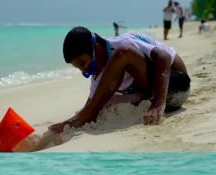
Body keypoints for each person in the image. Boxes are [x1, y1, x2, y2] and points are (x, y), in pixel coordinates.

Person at [49, 27, 191, 133]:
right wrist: (67, 124)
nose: (84, 71)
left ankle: (146, 98)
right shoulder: (98, 77)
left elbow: (164, 57)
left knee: (123, 54)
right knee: (102, 101)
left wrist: (159, 102)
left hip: (176, 81)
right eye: (79, 69)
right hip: (152, 92)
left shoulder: (122, 44)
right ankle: (140, 97)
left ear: (97, 49)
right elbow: (90, 108)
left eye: (83, 63)